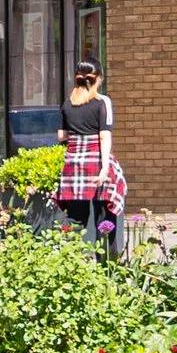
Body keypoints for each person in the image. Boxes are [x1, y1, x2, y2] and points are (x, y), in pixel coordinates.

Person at [56, 61, 125, 254]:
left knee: (75, 221)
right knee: (105, 220)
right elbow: (104, 135)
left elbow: (61, 136)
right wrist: (105, 169)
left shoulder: (67, 104)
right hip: (96, 162)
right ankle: (107, 271)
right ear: (99, 78)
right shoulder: (102, 102)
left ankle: (69, 266)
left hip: (73, 166)